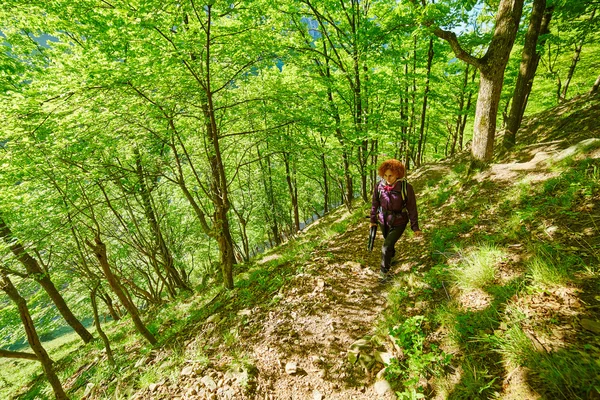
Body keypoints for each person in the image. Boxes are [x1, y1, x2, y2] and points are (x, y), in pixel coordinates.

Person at [370, 159, 422, 282]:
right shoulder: (379, 186)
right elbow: (374, 203)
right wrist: (373, 220)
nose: (388, 178)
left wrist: (415, 227)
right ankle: (391, 257)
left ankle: (384, 273)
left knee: (386, 245)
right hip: (383, 220)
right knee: (388, 243)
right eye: (385, 175)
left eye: (391, 175)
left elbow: (412, 208)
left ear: (398, 174)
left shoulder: (406, 187)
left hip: (399, 221)